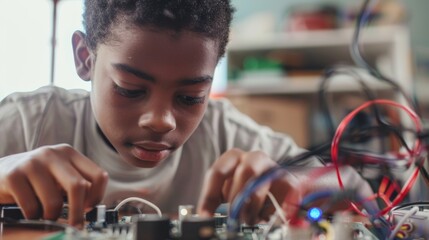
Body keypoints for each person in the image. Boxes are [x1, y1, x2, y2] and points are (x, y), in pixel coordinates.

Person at [0, 0, 373, 229]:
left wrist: (299, 184)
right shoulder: (30, 122)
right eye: (131, 89)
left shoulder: (226, 134)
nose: (161, 120)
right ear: (85, 58)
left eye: (191, 97)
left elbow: (357, 187)